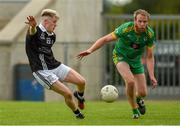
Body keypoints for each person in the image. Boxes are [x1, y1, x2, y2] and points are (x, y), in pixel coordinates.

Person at [77, 9, 157, 119]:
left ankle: (139, 100)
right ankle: (134, 110)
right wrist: (90, 50)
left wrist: (152, 75)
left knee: (143, 93)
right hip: (120, 56)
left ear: (148, 22)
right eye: (140, 21)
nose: (142, 24)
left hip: (136, 60)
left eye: (145, 22)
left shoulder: (149, 34)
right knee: (130, 81)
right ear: (135, 20)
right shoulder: (126, 28)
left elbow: (149, 56)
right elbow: (105, 39)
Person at [25, 9, 86, 119]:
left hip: (55, 65)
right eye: (54, 22)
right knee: (67, 94)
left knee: (81, 82)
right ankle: (78, 114)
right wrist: (32, 26)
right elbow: (33, 32)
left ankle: (80, 96)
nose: (56, 25)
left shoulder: (52, 35)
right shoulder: (35, 30)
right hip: (42, 71)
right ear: (46, 21)